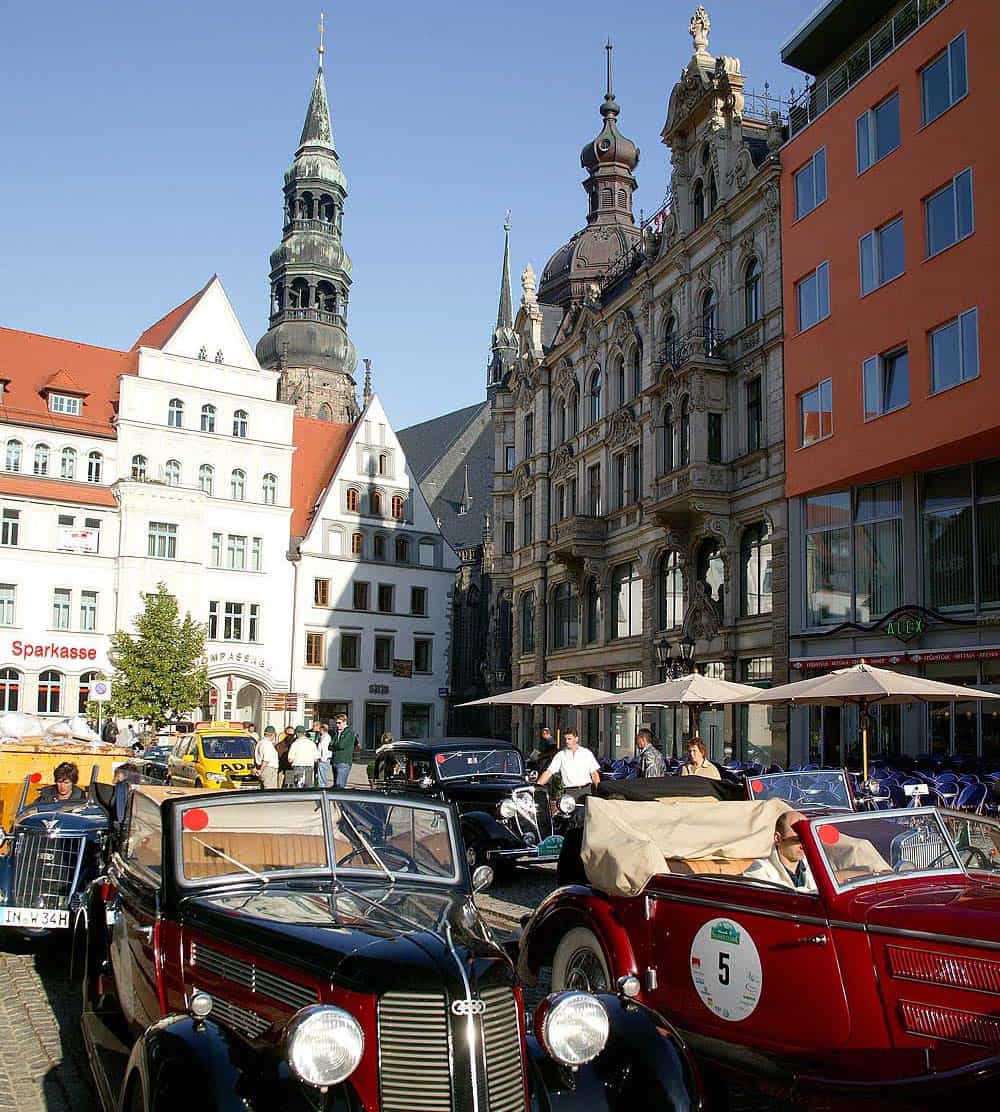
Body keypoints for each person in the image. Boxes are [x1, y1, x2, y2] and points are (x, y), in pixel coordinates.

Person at [743, 810, 817, 891]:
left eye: (807, 839)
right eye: (797, 840)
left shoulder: (816, 865)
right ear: (778, 838)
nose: (804, 845)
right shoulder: (758, 870)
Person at [537, 728, 601, 801]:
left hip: (586, 791)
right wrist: (537, 785)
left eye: (569, 739)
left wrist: (598, 792)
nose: (567, 741)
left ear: (576, 739)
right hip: (569, 792)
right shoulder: (560, 755)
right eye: (565, 739)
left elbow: (594, 774)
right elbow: (548, 772)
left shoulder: (586, 753)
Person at [330, 713, 359, 788]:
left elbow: (341, 745)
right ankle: (336, 800)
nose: (337, 725)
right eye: (336, 723)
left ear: (345, 722)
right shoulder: (336, 732)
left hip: (344, 761)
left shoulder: (349, 732)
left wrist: (335, 745)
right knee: (335, 785)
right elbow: (330, 746)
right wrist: (335, 745)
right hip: (335, 761)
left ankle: (340, 800)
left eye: (339, 723)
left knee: (339, 786)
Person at [255, 725, 280, 789]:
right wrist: (261, 770)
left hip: (262, 768)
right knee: (270, 790)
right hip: (268, 769)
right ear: (273, 734)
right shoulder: (267, 744)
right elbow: (266, 759)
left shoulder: (260, 742)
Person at [315, 722, 333, 788]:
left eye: (320, 729)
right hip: (323, 759)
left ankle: (322, 789)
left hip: (324, 759)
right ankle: (322, 788)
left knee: (322, 776)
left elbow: (325, 749)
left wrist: (322, 759)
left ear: (322, 729)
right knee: (322, 775)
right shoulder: (323, 737)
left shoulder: (326, 738)